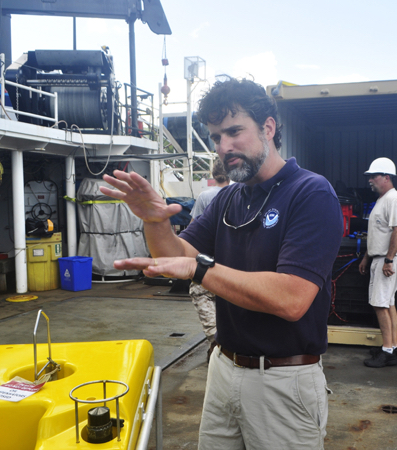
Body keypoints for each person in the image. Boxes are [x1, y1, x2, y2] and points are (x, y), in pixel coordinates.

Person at [100, 77, 343, 450]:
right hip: (223, 369)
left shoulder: (310, 192)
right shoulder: (228, 199)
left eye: (233, 132)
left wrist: (200, 269)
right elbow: (176, 254)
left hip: (283, 379)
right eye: (215, 137)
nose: (223, 147)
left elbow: (291, 299)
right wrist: (155, 221)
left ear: (268, 128)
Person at [358, 157, 397, 368]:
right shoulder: (383, 199)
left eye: (373, 176)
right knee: (388, 304)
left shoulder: (394, 199)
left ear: (386, 177)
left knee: (379, 304)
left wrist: (388, 260)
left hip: (388, 260)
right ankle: (392, 347)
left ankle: (387, 351)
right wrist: (367, 257)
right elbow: (378, 232)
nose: (370, 180)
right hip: (381, 258)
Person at [189, 157, 229, 357]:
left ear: (213, 174)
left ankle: (216, 340)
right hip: (231, 255)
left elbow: (194, 227)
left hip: (208, 255)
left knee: (201, 293)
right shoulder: (241, 192)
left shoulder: (205, 196)